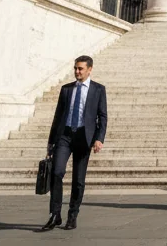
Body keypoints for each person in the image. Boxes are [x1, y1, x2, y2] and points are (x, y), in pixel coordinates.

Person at [43, 55, 107, 231]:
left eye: (80, 69)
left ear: (89, 69)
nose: (77, 72)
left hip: (84, 137)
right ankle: (55, 214)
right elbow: (58, 116)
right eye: (75, 68)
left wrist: (99, 138)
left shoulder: (98, 89)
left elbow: (102, 116)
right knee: (57, 172)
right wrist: (51, 142)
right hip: (64, 136)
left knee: (78, 180)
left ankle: (72, 215)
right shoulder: (66, 89)